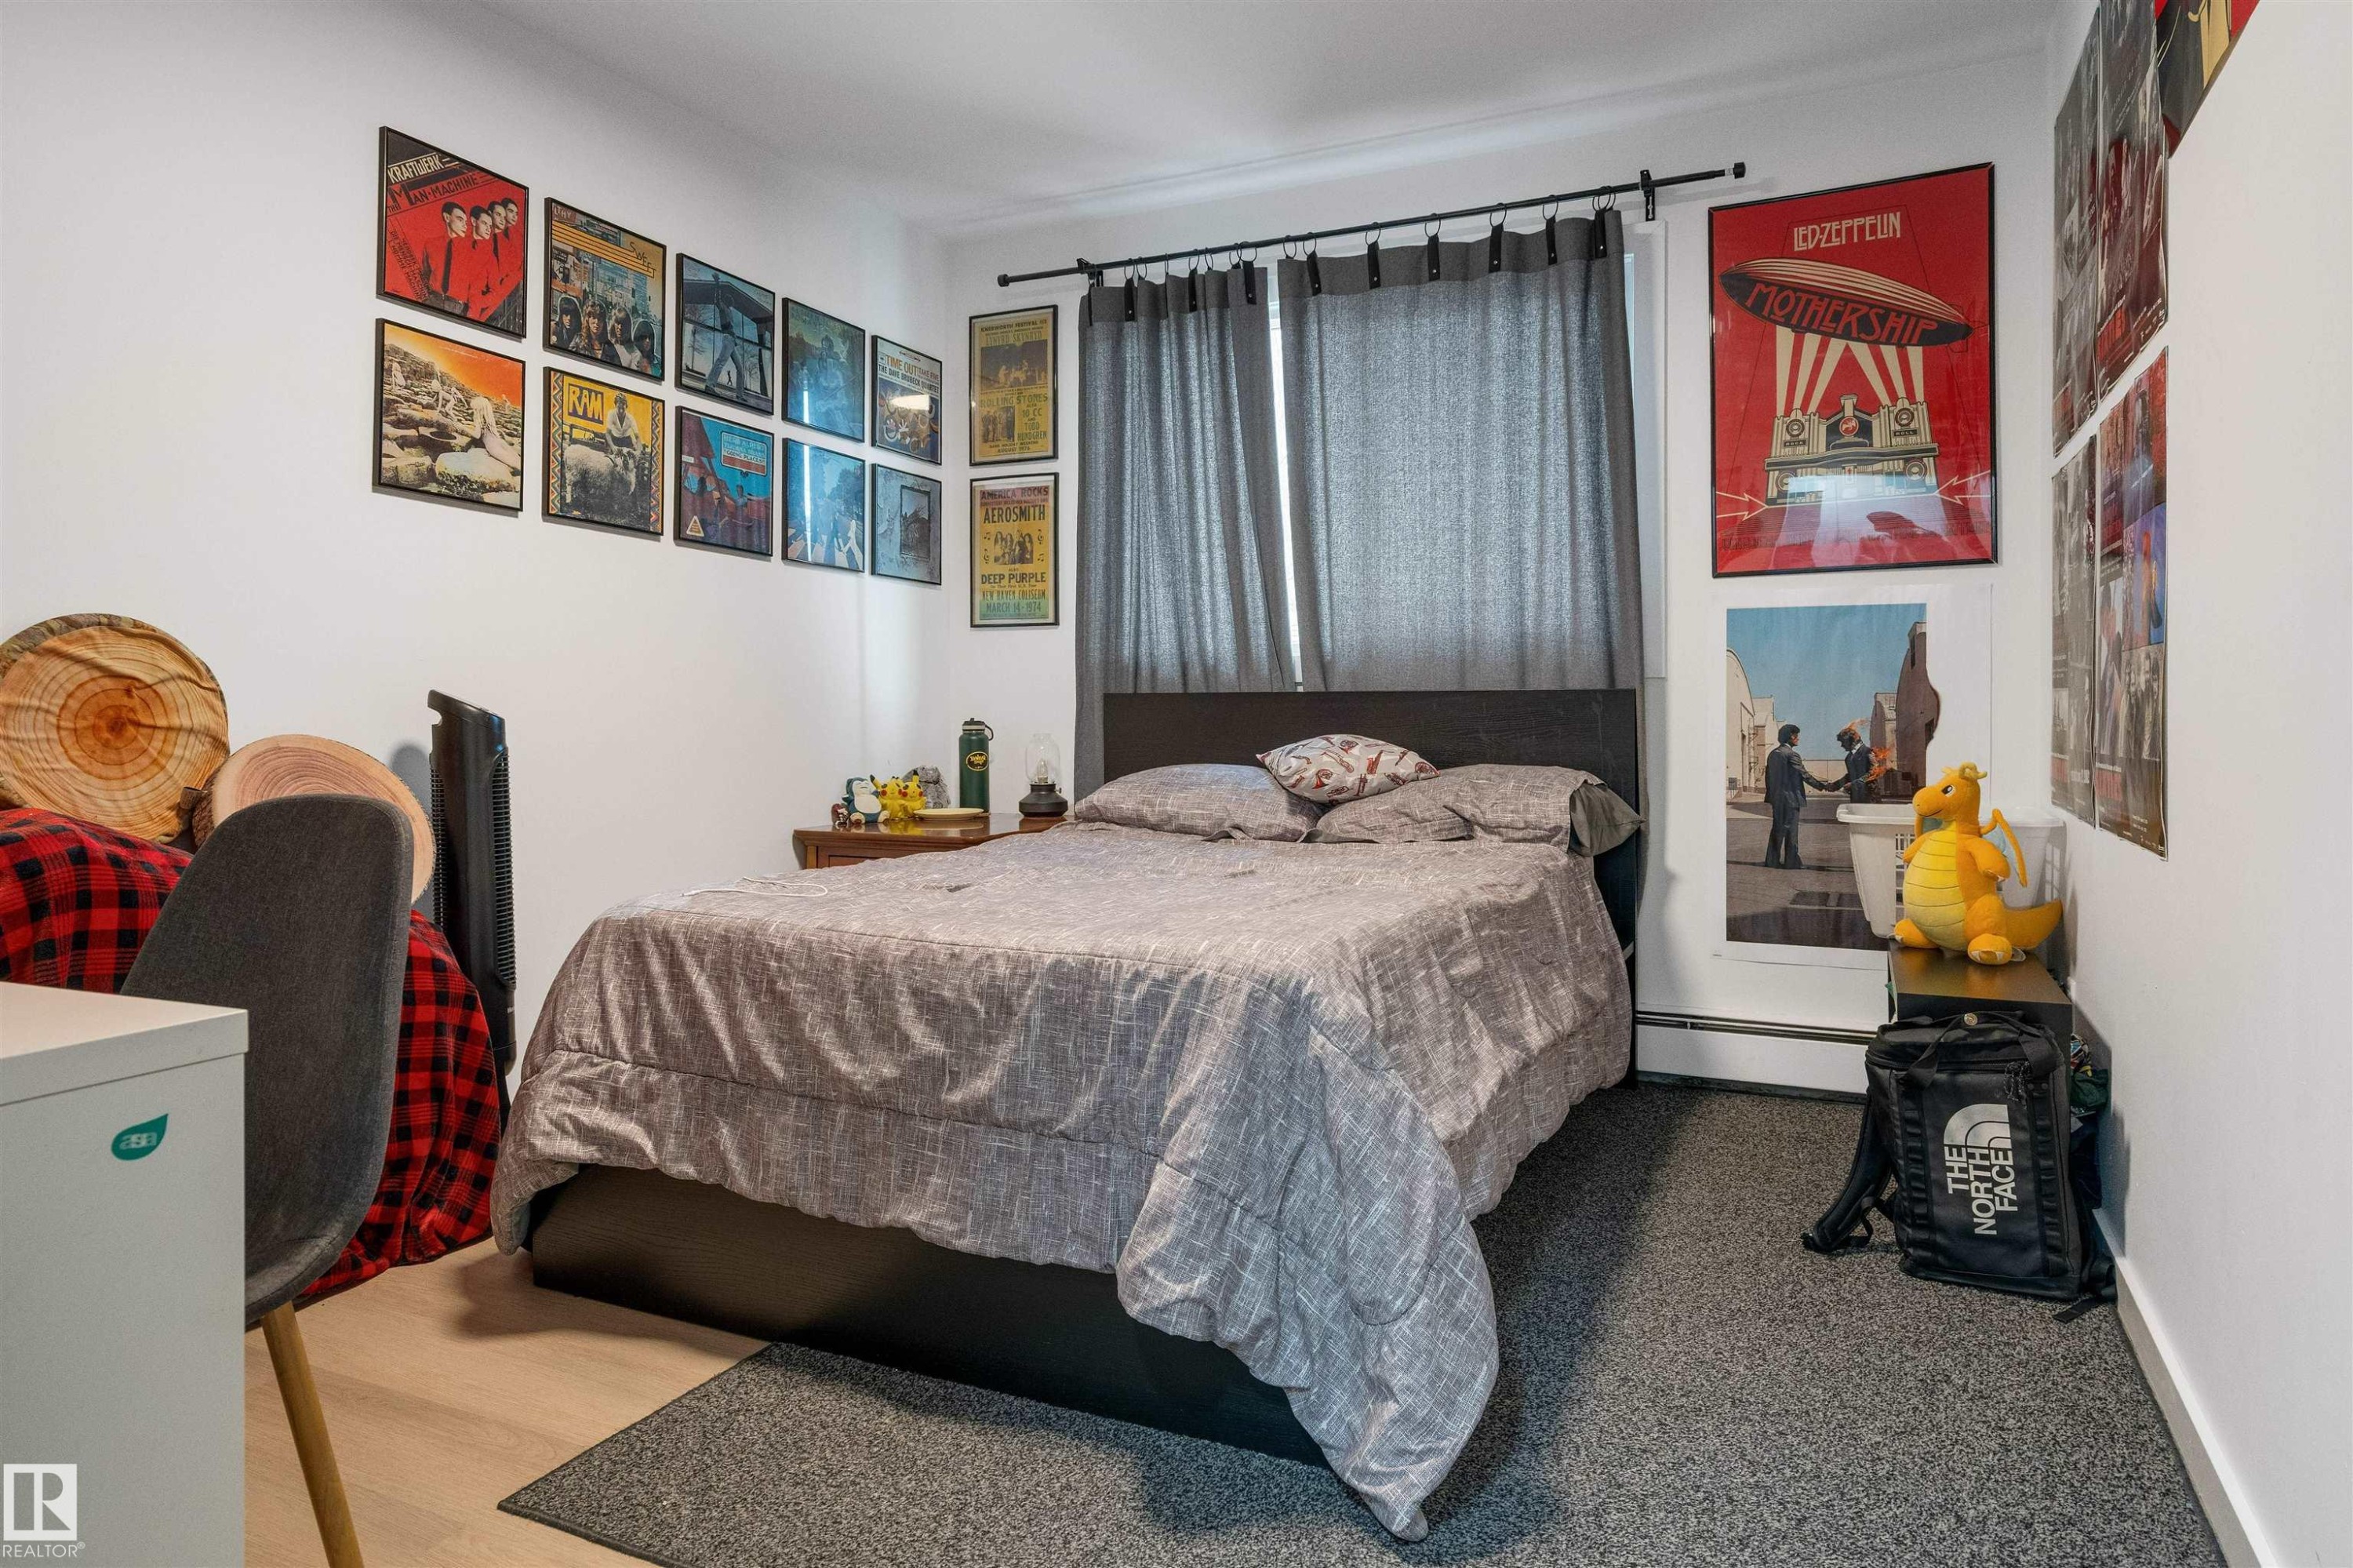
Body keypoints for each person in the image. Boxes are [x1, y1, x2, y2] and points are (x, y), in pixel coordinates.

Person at [1762, 723, 1840, 871]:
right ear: (1791, 737)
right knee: (1792, 831)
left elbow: (1768, 777)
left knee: (1777, 829)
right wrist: (1823, 786)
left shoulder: (1773, 754)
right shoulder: (1792, 755)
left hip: (1777, 799)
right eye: (1796, 736)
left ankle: (1772, 860)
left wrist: (1772, 795)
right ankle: (1791, 863)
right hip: (1791, 799)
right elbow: (1804, 775)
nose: (1798, 739)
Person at [1836, 726, 1875, 803]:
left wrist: (1854, 784)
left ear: (1852, 741)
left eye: (1843, 742)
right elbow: (1850, 776)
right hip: (1855, 799)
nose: (1842, 745)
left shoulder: (1868, 752)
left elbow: (1873, 773)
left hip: (1869, 799)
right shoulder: (1849, 757)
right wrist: (1833, 786)